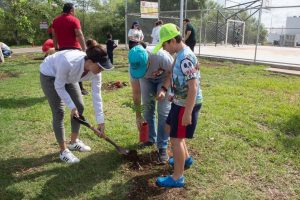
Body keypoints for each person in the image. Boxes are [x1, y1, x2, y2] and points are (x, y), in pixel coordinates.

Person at [40, 40, 113, 164]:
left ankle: (73, 142)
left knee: (80, 106)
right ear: (89, 62)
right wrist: (71, 106)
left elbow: (96, 95)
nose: (102, 70)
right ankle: (64, 151)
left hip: (70, 76)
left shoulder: (96, 72)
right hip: (50, 75)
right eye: (100, 67)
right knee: (59, 112)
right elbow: (59, 86)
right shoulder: (68, 62)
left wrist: (100, 121)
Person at [153, 23, 203, 188]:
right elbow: (177, 77)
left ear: (173, 40)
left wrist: (188, 112)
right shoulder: (180, 54)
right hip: (178, 102)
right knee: (170, 130)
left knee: (175, 139)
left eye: (165, 45)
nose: (165, 49)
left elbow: (193, 87)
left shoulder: (185, 58)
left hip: (186, 105)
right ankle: (185, 159)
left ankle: (177, 177)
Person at [128, 43, 174, 163]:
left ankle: (162, 146)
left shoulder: (161, 56)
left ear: (148, 59)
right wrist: (138, 115)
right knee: (147, 108)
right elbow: (136, 93)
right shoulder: (133, 66)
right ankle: (150, 138)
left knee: (163, 111)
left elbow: (172, 72)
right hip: (146, 80)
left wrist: (164, 89)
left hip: (164, 78)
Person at [52, 2, 88, 95]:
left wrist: (56, 48)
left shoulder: (55, 21)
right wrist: (84, 49)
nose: (75, 12)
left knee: (63, 69)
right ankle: (80, 89)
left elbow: (54, 36)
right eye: (74, 10)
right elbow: (79, 34)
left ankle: (63, 89)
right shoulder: (74, 20)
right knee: (79, 69)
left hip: (62, 50)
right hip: (74, 48)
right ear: (71, 10)